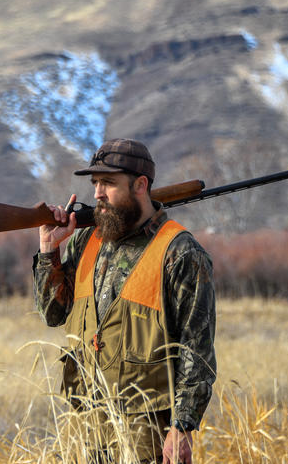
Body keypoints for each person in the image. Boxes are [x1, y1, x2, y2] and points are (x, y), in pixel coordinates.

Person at [33, 138, 217, 463]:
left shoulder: (180, 253)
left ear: (140, 185)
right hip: (89, 429)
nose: (97, 194)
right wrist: (50, 251)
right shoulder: (86, 241)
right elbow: (53, 314)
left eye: (108, 183)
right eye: (95, 183)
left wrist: (182, 426)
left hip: (148, 437)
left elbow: (196, 350)